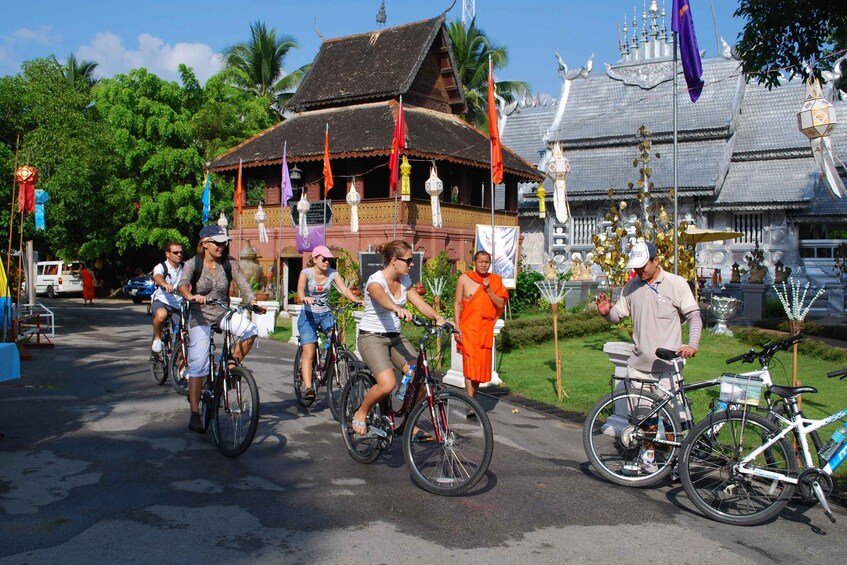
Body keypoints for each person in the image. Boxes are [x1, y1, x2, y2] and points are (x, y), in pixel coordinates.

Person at [595, 240, 702, 472]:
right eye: (636, 268)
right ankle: (648, 458)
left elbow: (694, 316)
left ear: (656, 260)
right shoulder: (631, 287)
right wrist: (606, 313)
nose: (639, 271)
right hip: (638, 365)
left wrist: (692, 344)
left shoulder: (676, 284)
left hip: (667, 365)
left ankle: (677, 461)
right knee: (644, 419)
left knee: (676, 417)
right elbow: (617, 315)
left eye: (643, 266)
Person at [351, 240, 447, 435]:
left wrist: (439, 318)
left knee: (420, 376)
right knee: (388, 384)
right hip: (372, 337)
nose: (412, 264)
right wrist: (396, 308)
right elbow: (381, 297)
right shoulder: (375, 281)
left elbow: (420, 304)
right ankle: (361, 412)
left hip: (396, 337)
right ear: (394, 261)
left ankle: (409, 423)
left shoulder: (404, 281)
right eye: (409, 260)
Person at [177, 225, 266, 433]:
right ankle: (195, 412)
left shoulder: (229, 263)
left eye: (223, 242)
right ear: (205, 244)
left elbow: (243, 284)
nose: (221, 246)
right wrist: (190, 296)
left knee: (250, 331)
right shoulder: (193, 263)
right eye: (217, 242)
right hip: (200, 316)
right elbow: (183, 284)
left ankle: (230, 368)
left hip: (223, 312)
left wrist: (252, 301)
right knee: (199, 363)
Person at [296, 245, 362, 399]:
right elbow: (300, 288)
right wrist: (304, 297)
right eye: (324, 259)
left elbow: (344, 290)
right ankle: (307, 387)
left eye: (329, 260)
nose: (327, 262)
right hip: (308, 315)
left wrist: (356, 300)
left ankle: (326, 355)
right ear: (315, 259)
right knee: (309, 352)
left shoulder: (333, 273)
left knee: (335, 337)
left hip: (325, 313)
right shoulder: (306, 273)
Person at [454, 251, 508, 402]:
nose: (484, 265)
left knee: (479, 369)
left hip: (484, 330)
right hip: (468, 329)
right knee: (469, 366)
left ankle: (472, 399)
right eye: (481, 262)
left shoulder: (495, 281)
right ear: (474, 263)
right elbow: (458, 304)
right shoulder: (464, 279)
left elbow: (500, 304)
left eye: (487, 262)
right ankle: (470, 402)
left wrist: (489, 289)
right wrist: (457, 327)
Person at [150, 242, 184, 357]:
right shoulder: (161, 267)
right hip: (162, 300)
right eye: (175, 252)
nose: (179, 254)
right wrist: (164, 284)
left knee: (182, 336)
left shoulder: (184, 267)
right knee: (161, 315)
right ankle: (157, 338)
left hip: (178, 304)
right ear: (167, 254)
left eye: (181, 252)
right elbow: (157, 276)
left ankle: (181, 370)